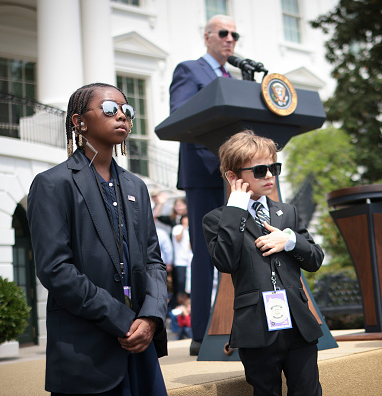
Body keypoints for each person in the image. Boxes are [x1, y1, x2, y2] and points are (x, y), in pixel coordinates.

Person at [27, 82, 168, 395]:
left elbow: (153, 260)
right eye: (109, 109)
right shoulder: (53, 184)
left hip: (140, 346)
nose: (121, 115)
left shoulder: (136, 186)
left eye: (126, 110)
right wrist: (122, 319)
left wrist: (150, 318)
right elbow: (55, 269)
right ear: (79, 121)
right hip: (87, 352)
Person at [202, 130, 324, 396]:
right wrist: (235, 207)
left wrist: (290, 240)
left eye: (273, 167)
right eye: (259, 170)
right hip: (256, 327)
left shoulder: (287, 212)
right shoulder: (217, 219)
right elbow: (224, 261)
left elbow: (315, 259)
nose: (269, 175)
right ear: (233, 176)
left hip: (298, 323)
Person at [169, 14, 238, 355]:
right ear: (208, 37)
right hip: (205, 174)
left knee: (239, 247)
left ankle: (238, 323)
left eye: (234, 35)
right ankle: (199, 333)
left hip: (236, 177)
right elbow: (181, 115)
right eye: (223, 33)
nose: (230, 39)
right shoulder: (189, 70)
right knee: (205, 252)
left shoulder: (234, 77)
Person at [172, 214, 192, 296]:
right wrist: (184, 227)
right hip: (180, 261)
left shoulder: (190, 230)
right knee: (181, 282)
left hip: (189, 261)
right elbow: (178, 238)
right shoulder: (177, 228)